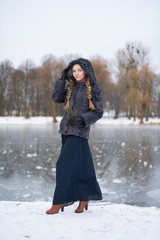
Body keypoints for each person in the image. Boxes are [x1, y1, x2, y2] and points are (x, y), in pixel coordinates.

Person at [46, 58, 103, 214]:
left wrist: (82, 118)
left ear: (86, 70)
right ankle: (84, 198)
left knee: (62, 165)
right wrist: (62, 79)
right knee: (82, 168)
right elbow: (56, 98)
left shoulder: (94, 88)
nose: (76, 73)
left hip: (79, 131)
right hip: (65, 130)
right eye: (74, 71)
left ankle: (59, 201)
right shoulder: (71, 86)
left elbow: (98, 112)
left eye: (79, 70)